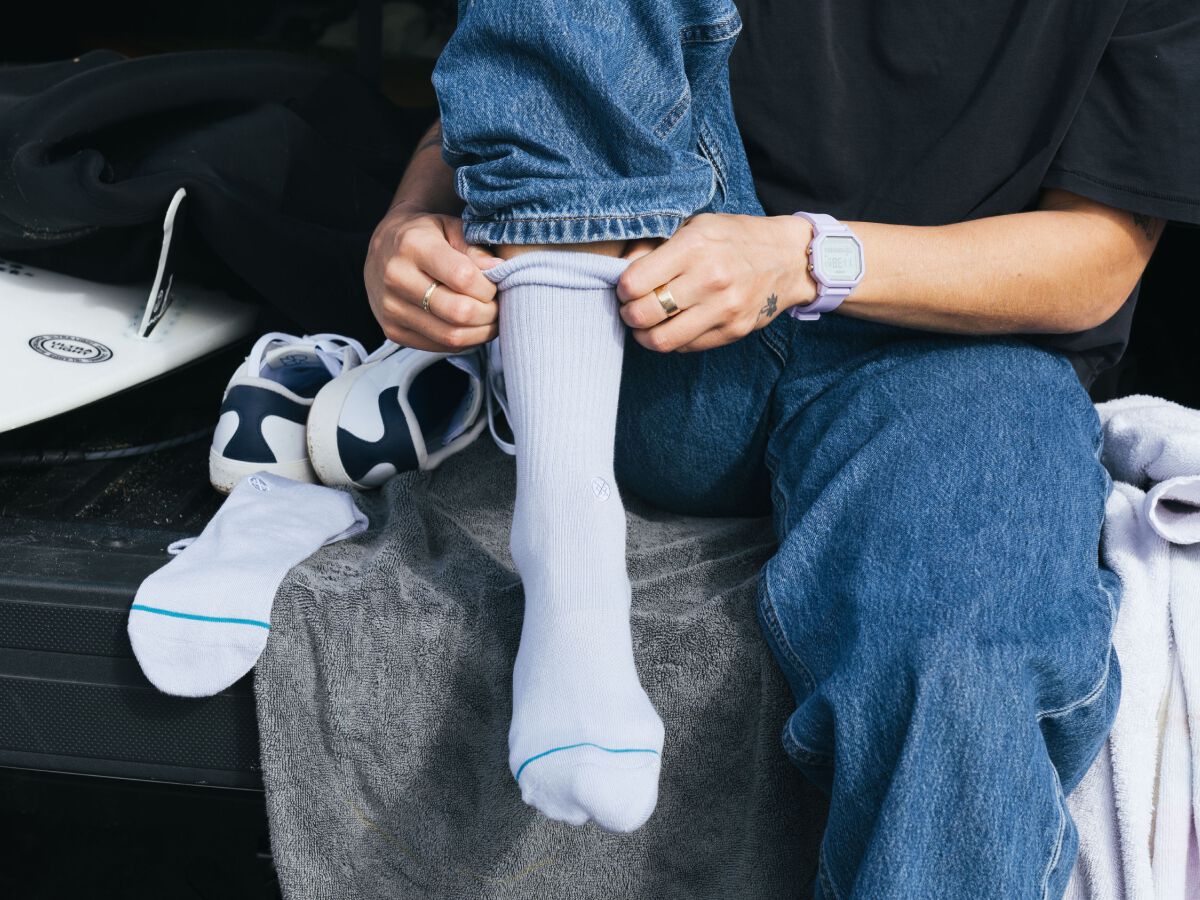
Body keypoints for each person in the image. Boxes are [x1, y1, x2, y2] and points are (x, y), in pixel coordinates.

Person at [364, 0, 1200, 896]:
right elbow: (559, 52)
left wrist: (810, 259)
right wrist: (411, 220)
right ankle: (570, 562)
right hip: (654, 315)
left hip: (957, 354)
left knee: (959, 663)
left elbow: (1103, 255)